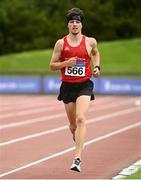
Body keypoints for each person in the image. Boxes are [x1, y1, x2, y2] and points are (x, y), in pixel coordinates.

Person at [50, 7, 100, 172]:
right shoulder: (60, 43)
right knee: (73, 126)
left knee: (80, 119)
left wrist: (97, 67)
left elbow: (95, 53)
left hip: (84, 84)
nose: (74, 24)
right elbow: (52, 66)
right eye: (72, 22)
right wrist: (65, 64)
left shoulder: (90, 41)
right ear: (68, 25)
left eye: (77, 22)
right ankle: (78, 138)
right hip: (67, 87)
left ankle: (77, 159)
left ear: (81, 25)